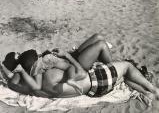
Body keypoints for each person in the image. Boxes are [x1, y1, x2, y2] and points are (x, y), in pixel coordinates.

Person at [1, 34, 159, 100]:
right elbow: (78, 73)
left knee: (98, 38)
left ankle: (144, 89)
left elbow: (12, 78)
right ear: (37, 66)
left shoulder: (30, 82)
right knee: (103, 46)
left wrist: (14, 70)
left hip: (83, 78)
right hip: (88, 77)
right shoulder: (47, 74)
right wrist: (67, 56)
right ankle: (112, 66)